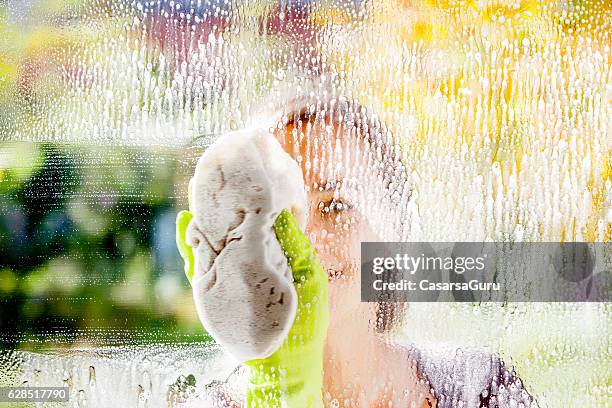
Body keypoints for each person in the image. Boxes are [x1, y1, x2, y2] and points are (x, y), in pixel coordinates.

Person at [177, 92, 536, 407]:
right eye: (278, 215)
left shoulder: (480, 388)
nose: (307, 239)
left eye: (335, 206)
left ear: (392, 228)